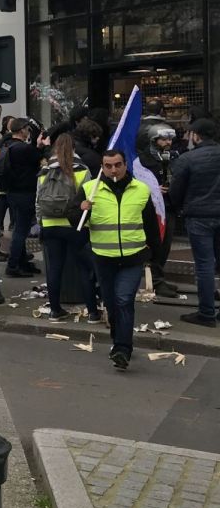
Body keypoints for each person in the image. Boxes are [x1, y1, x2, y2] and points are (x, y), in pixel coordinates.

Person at [79, 150, 161, 369]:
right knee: (112, 302)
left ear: (125, 165)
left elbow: (151, 225)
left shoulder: (141, 190)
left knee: (124, 300)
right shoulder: (90, 189)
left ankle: (122, 349)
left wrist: (155, 256)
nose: (113, 169)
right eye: (108, 165)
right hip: (103, 258)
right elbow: (75, 221)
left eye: (117, 165)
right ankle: (118, 336)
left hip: (132, 258)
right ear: (102, 167)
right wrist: (81, 209)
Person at [36, 134, 100, 322]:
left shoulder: (44, 171)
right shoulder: (82, 170)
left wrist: (41, 223)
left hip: (50, 226)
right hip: (76, 226)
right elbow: (89, 199)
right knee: (84, 269)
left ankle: (55, 310)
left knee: (55, 269)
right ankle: (93, 313)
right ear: (74, 149)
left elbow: (38, 201)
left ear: (55, 149)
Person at [169, 118, 220, 328]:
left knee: (205, 265)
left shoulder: (187, 159)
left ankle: (207, 312)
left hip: (199, 216)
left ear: (196, 135)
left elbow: (176, 190)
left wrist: (179, 207)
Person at [139, 124, 179, 298]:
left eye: (169, 139)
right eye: (163, 139)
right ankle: (155, 280)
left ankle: (159, 278)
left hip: (169, 206)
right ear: (154, 140)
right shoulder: (143, 159)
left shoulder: (175, 157)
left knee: (166, 245)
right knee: (156, 245)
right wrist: (153, 189)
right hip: (152, 208)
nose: (167, 142)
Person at [0, 118, 43, 276]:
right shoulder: (24, 149)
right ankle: (13, 265)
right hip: (25, 193)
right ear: (22, 130)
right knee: (20, 231)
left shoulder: (8, 145)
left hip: (13, 192)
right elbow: (38, 159)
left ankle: (22, 262)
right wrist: (39, 146)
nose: (29, 132)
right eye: (28, 129)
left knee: (20, 228)